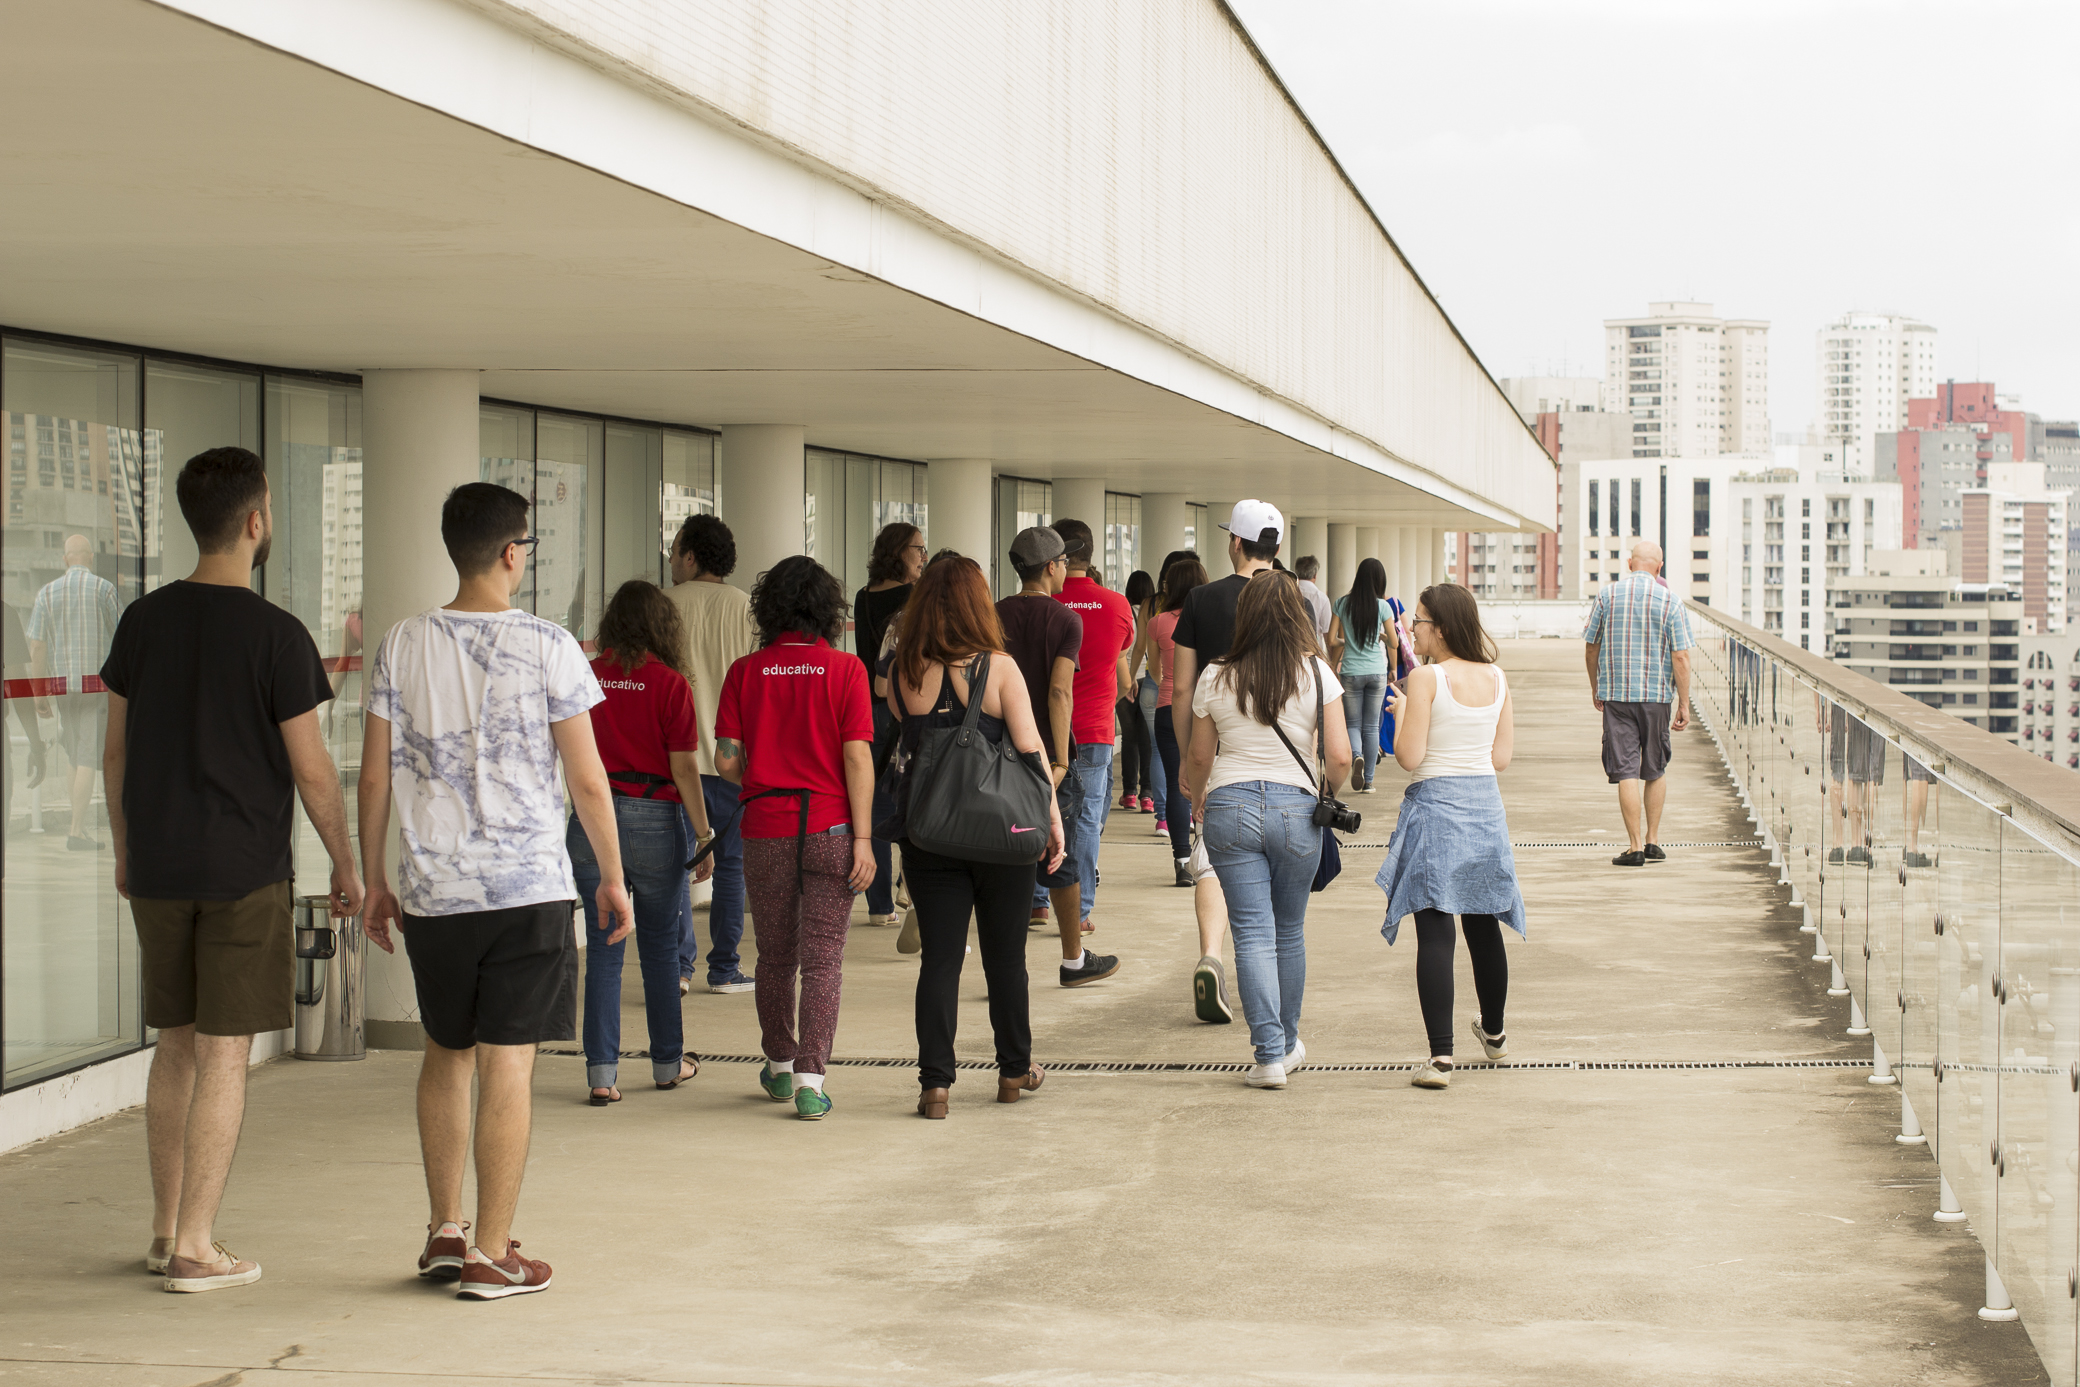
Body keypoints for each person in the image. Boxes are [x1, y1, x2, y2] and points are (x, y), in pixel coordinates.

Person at [360, 481, 632, 1302]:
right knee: (507, 1063)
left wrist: (374, 876)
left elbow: (375, 773)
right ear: (513, 552)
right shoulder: (550, 645)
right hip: (526, 889)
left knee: (446, 1051)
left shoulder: (401, 642)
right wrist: (614, 876)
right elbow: (586, 777)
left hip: (434, 891)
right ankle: (490, 1251)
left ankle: (445, 1232)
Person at [100, 446, 362, 1294]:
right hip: (244, 872)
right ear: (256, 522)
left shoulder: (143, 621)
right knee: (224, 1052)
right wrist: (348, 860)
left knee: (176, 1045)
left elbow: (116, 749)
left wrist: (123, 844)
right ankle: (197, 1247)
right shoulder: (277, 635)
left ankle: (166, 1227)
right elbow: (314, 770)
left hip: (160, 866)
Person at [893, 556, 1069, 1117]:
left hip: (930, 833)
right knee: (1005, 958)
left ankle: (936, 1084)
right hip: (1002, 835)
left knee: (941, 959)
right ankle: (1014, 1069)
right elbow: (1031, 752)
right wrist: (1053, 821)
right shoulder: (1000, 668)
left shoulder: (904, 671)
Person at [713, 555, 876, 1121]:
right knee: (824, 959)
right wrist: (864, 838)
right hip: (832, 826)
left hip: (767, 827)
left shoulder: (745, 671)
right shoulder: (847, 671)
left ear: (769, 608)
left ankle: (779, 1066)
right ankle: (812, 1079)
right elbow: (858, 757)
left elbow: (726, 761)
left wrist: (766, 768)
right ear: (828, 609)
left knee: (775, 956)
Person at [1180, 571, 1350, 1088]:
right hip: (1295, 810)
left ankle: (1269, 1055)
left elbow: (1199, 754)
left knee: (1251, 932)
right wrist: (1327, 795)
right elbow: (1340, 756)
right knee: (1288, 930)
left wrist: (1196, 797)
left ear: (1245, 613)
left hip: (1229, 806)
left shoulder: (1217, 673)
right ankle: (1288, 1041)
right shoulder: (1318, 673)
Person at [573, 580, 717, 1105]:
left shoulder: (588, 676)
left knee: (605, 949)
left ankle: (601, 1074)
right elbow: (684, 766)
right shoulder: (670, 683)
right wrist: (703, 836)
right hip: (655, 815)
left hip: (593, 817)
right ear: (662, 627)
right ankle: (666, 1064)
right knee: (659, 947)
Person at [1378, 584, 1524, 1091]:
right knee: (1484, 926)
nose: (1410, 630)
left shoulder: (1425, 679)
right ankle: (1496, 1034)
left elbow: (1410, 757)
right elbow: (1499, 758)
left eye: (1416, 622)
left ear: (1438, 628)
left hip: (1436, 809)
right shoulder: (1498, 677)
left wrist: (1400, 720)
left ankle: (1441, 1058)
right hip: (1484, 809)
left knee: (1436, 931)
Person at [995, 527, 1119, 986]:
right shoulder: (1066, 620)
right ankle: (1073, 959)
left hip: (999, 748)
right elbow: (1060, 689)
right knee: (1057, 851)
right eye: (1064, 561)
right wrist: (1061, 758)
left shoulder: (995, 614)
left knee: (1006, 852)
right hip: (1045, 752)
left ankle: (1004, 969)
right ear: (1050, 567)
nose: (1067, 568)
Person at [667, 514, 758, 993]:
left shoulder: (662, 606)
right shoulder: (746, 609)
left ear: (691, 556)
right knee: (731, 867)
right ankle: (724, 968)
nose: (670, 560)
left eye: (674, 550)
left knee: (678, 869)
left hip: (676, 762)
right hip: (732, 761)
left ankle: (679, 968)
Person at [1582, 541, 1693, 866]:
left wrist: (1596, 686)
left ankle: (1634, 847)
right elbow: (1681, 656)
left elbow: (1591, 646)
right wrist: (1684, 703)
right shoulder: (1671, 600)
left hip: (1616, 695)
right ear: (1659, 568)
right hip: (1657, 698)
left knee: (1627, 769)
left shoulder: (1607, 595)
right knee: (1655, 768)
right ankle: (1653, 841)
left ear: (1630, 563)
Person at [1050, 518, 1135, 936]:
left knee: (1037, 810)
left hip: (1043, 727)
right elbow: (1122, 671)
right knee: (1085, 821)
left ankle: (1036, 901)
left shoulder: (1040, 601)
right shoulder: (1117, 605)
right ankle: (1079, 909)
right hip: (1094, 730)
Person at [27, 532, 121, 850]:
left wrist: (39, 694)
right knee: (84, 756)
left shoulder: (46, 593)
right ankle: (76, 831)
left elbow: (37, 646)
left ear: (65, 559)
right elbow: (122, 638)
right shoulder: (104, 589)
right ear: (90, 557)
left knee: (72, 756)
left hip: (62, 687)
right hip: (96, 686)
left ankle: (76, 827)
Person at [854, 522, 926, 926]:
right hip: (907, 706)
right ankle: (908, 882)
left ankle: (879, 906)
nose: (923, 556)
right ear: (900, 552)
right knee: (914, 795)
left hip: (870, 708)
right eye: (919, 548)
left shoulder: (862, 597)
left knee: (878, 804)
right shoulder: (915, 598)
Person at [1328, 558, 1392, 794]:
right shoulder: (1383, 606)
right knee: (1371, 726)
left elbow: (1331, 640)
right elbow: (1394, 642)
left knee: (1353, 724)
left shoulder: (1342, 604)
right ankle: (1369, 782)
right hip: (1376, 672)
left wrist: (1349, 642)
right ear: (1379, 580)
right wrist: (1383, 637)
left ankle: (1357, 756)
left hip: (1351, 672)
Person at [1116, 569, 1158, 814]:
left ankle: (1129, 793)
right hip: (1148, 681)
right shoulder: (1153, 614)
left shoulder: (1123, 613)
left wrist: (1127, 678)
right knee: (1147, 740)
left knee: (1129, 738)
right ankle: (1147, 795)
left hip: (1124, 681)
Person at [1292, 555, 1332, 643]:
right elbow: (1327, 632)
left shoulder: (1289, 593)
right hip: (1314, 649)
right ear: (1315, 575)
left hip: (1291, 649)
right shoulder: (1322, 598)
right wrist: (1331, 656)